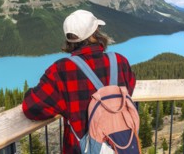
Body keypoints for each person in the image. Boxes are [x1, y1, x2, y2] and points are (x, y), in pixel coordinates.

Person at [22, 9, 136, 153]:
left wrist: (29, 93)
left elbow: (31, 108)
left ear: (70, 40)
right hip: (122, 145)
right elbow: (128, 90)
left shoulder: (62, 70)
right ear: (96, 33)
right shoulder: (120, 61)